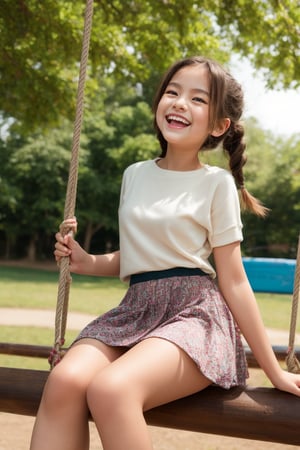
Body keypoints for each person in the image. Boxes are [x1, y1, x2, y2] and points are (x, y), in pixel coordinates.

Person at [30, 55, 300, 450]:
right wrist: (87, 261)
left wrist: (273, 370)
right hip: (136, 309)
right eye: (172, 92)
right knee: (65, 381)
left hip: (194, 315)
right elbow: (142, 257)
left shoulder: (216, 184)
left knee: (111, 390)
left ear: (219, 125)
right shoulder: (135, 174)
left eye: (197, 99)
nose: (178, 103)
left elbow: (233, 277)